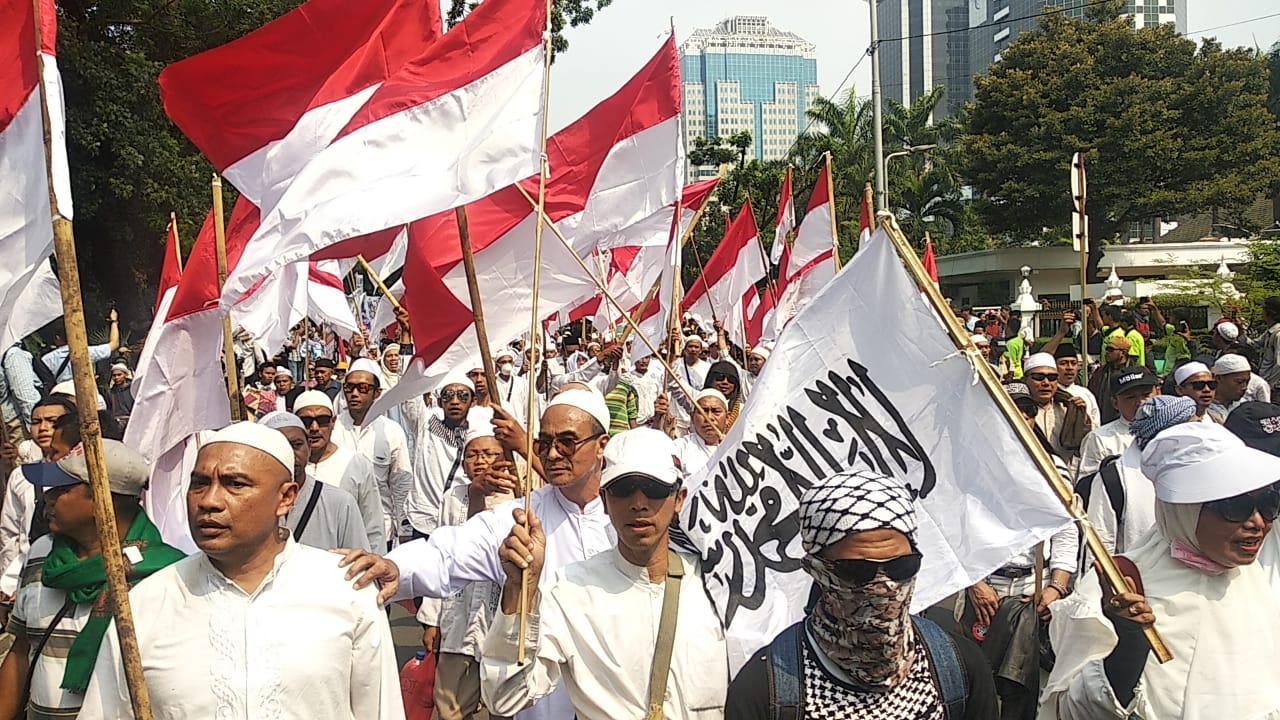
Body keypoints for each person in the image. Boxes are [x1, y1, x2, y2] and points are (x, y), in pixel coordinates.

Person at [78, 422, 404, 718]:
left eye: (235, 484)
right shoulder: (147, 602)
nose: (209, 501)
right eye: (199, 484)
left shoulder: (346, 588)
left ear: (286, 497)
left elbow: (380, 710)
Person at [339, 387, 618, 720]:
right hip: (546, 700)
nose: (553, 454)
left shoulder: (629, 515)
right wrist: (396, 567)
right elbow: (448, 551)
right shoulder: (523, 516)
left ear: (602, 445)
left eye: (567, 442)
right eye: (544, 443)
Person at [480, 427, 727, 719]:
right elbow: (505, 696)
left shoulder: (716, 584)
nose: (639, 503)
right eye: (623, 490)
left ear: (679, 499)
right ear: (605, 501)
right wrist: (520, 590)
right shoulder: (570, 591)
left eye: (655, 489)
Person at [1040, 423, 1280, 719]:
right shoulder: (1120, 585)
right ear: (1183, 510)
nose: (1257, 522)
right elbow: (1071, 710)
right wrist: (1129, 646)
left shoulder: (1257, 578)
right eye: (1235, 506)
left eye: (1268, 504)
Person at [725, 470, 998, 719]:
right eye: (857, 572)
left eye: (900, 566)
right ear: (816, 570)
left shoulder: (958, 667)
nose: (884, 587)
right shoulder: (765, 688)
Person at [0, 440, 185, 719]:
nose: (48, 497)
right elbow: (21, 651)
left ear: (103, 497)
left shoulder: (168, 576)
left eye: (62, 489)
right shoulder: (41, 554)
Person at [425, 427, 517, 720]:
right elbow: (442, 554)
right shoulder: (454, 497)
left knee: (503, 705)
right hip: (458, 618)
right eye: (472, 454)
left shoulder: (518, 499)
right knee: (450, 706)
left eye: (489, 454)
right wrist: (431, 620)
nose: (480, 461)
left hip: (501, 620)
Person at [260, 411, 369, 552]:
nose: (290, 453)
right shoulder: (252, 504)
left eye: (296, 445)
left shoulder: (341, 503)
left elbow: (360, 563)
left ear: (309, 448)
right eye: (280, 446)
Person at [0, 397, 77, 595]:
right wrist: (9, 585)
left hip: (71, 572)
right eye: (36, 422)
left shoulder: (84, 473)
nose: (43, 428)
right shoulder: (21, 475)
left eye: (52, 421)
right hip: (29, 573)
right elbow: (10, 533)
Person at [329, 358, 408, 546]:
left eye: (363, 388)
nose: (355, 393)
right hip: (337, 529)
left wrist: (404, 528)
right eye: (349, 388)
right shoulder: (332, 428)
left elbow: (400, 483)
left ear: (377, 392)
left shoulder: (391, 431)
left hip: (380, 530)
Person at [293, 390, 386, 551]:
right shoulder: (286, 466)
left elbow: (373, 524)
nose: (314, 428)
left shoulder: (356, 463)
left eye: (322, 420)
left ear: (333, 422)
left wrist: (376, 565)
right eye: (306, 421)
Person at [402, 373, 487, 540]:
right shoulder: (426, 424)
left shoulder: (477, 435)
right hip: (424, 519)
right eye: (448, 396)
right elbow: (410, 394)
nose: (455, 401)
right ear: (440, 402)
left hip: (459, 520)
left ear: (473, 401)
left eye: (462, 396)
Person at [1077, 367, 1161, 478]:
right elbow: (1088, 484)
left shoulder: (1173, 432)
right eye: (1130, 397)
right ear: (1115, 403)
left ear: (1158, 393)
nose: (1140, 402)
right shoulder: (1099, 439)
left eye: (1146, 395)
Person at [1023, 353, 1092, 470]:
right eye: (1039, 377)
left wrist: (1082, 419)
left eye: (1052, 378)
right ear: (1025, 379)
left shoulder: (1069, 408)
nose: (1046, 383)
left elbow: (1084, 447)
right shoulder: (1017, 410)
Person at [41, 312, 120, 384]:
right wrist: (114, 321)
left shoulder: (48, 359)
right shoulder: (88, 352)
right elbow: (114, 344)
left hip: (61, 396)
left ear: (57, 338)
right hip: (89, 395)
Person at [673, 389, 729, 475]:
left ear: (727, 418)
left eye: (716, 411)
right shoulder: (680, 447)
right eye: (703, 411)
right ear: (692, 417)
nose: (709, 417)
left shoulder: (735, 446)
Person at [1207, 353, 1271, 422]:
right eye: (1239, 382)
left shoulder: (1246, 408)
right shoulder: (1203, 408)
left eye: (1247, 382)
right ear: (1219, 378)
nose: (1245, 387)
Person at [1088, 335, 1132, 426]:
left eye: (1111, 350)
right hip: (1103, 422)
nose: (1107, 352)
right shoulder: (1100, 372)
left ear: (1123, 353)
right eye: (1106, 349)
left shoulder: (1135, 372)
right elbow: (1091, 395)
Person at [0, 344, 40, 442]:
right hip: (18, 423)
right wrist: (35, 426)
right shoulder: (13, 354)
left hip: (7, 421)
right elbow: (25, 396)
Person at [1053, 344, 1100, 427]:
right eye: (1063, 363)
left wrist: (1084, 417)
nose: (1069, 367)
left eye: (1073, 363)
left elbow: (1096, 426)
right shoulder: (1049, 394)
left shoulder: (1086, 394)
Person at [1255, 296, 1280, 392]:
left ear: (1270, 312)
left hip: (1275, 387)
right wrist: (1241, 333)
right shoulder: (1270, 332)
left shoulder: (1278, 334)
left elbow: (1279, 364)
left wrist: (1269, 385)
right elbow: (1255, 344)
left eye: (1263, 309)